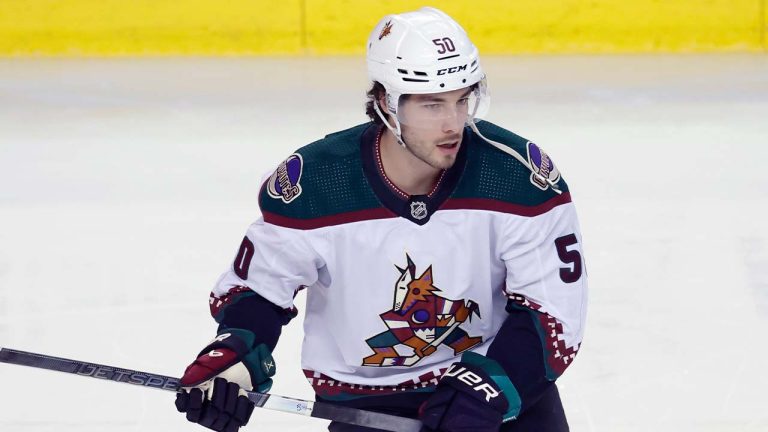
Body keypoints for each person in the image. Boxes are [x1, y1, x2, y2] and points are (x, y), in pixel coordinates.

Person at [174, 7, 587, 432]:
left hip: (495, 385)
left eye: (462, 100)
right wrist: (236, 356)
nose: (453, 124)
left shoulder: (519, 177)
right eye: (432, 105)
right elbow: (259, 289)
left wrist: (489, 387)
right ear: (387, 102)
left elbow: (552, 310)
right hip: (367, 400)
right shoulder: (315, 184)